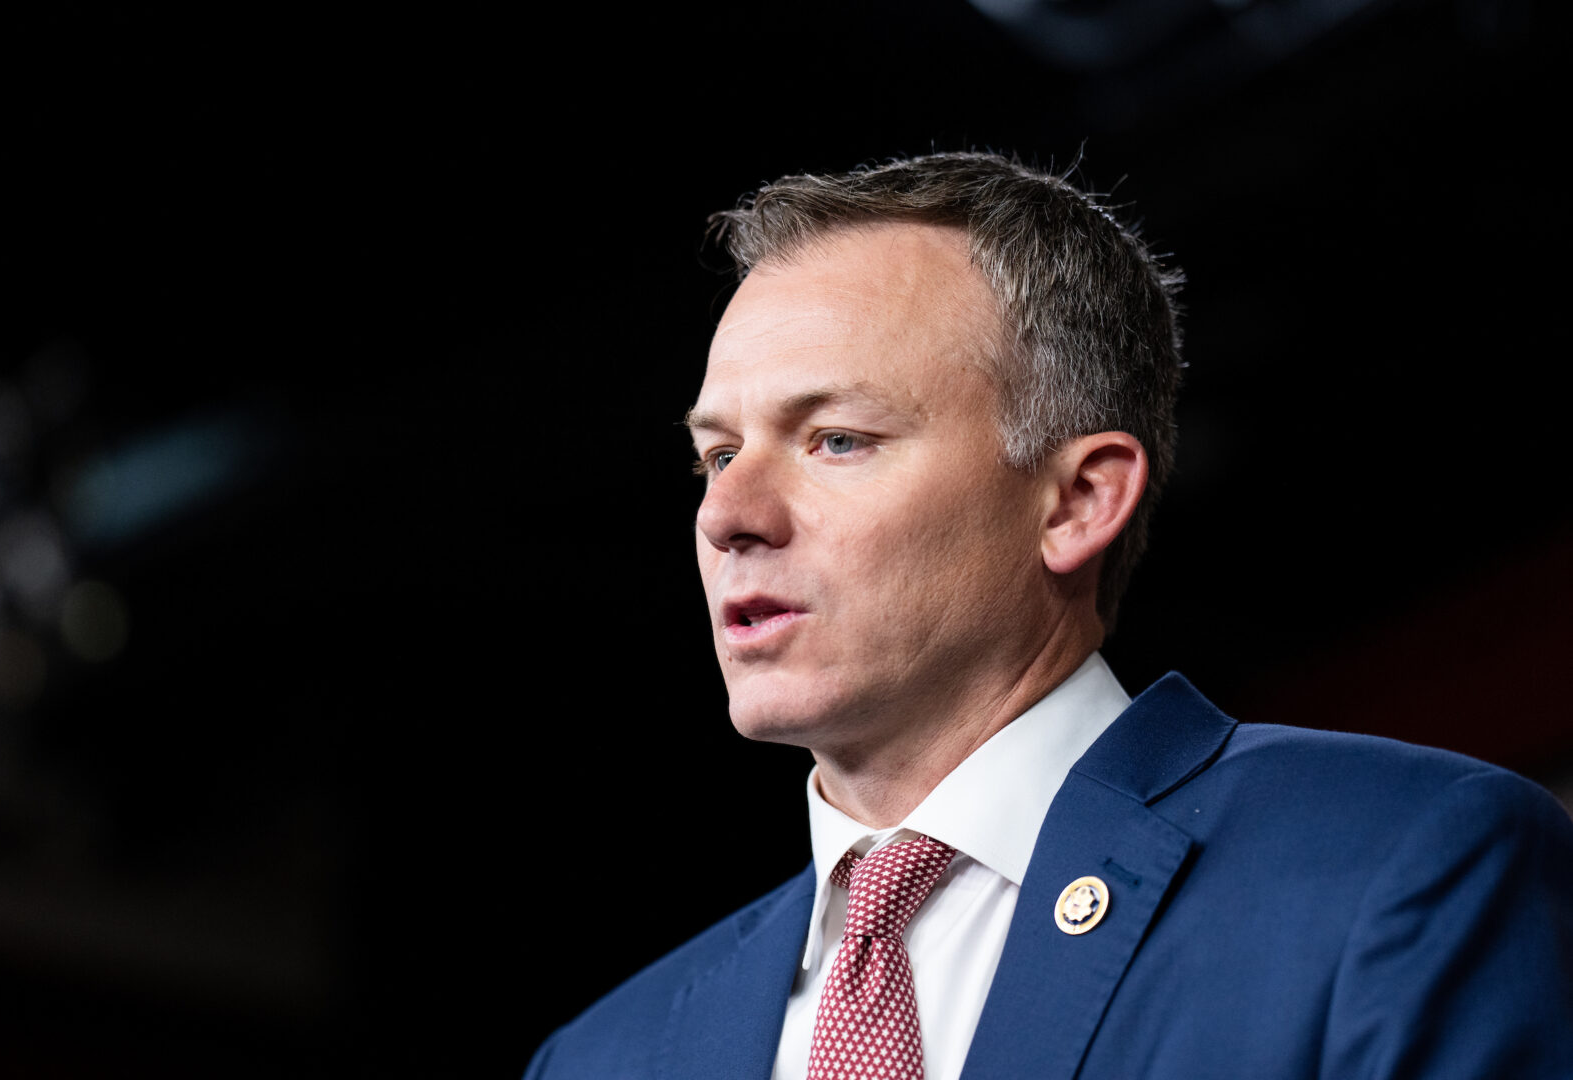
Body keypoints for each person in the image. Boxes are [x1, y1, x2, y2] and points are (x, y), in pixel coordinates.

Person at [524, 152, 1573, 1079]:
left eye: (836, 438)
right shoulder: (604, 1059)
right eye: (716, 454)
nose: (729, 515)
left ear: (1076, 501)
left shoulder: (1401, 866)